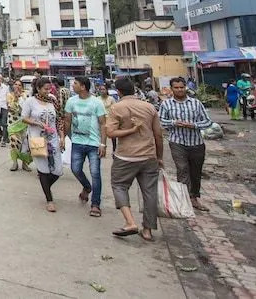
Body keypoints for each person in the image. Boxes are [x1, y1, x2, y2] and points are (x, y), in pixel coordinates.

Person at [107, 77, 164, 242]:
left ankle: (130, 222)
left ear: (118, 92)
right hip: (149, 156)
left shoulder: (117, 107)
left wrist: (131, 131)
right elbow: (158, 135)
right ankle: (147, 230)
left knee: (119, 185)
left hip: (125, 156)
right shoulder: (149, 107)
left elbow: (111, 133)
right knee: (150, 192)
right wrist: (159, 156)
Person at [158, 76, 212, 212]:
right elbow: (160, 121)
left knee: (196, 171)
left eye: (182, 87)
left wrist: (193, 125)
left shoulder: (196, 103)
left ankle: (194, 198)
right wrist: (174, 123)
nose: (179, 90)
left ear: (185, 87)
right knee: (182, 169)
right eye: (176, 88)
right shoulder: (166, 104)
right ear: (171, 89)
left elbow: (207, 122)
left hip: (196, 142)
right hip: (177, 142)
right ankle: (183, 199)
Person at [65, 76, 107, 217]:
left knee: (95, 173)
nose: (73, 86)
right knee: (75, 169)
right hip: (77, 142)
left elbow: (103, 124)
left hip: (94, 144)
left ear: (83, 86)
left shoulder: (96, 102)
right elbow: (67, 120)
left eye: (75, 83)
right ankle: (87, 187)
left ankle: (95, 204)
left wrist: (103, 143)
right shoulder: (71, 101)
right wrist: (66, 137)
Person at [21, 77, 64, 212]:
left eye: (49, 89)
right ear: (38, 89)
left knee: (58, 171)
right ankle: (49, 200)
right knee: (43, 170)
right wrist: (37, 123)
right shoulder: (30, 101)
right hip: (37, 139)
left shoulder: (53, 100)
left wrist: (62, 137)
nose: (48, 91)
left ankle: (45, 186)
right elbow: (24, 118)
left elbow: (59, 119)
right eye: (45, 89)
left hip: (53, 139)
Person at [6, 79, 32, 172]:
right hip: (12, 123)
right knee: (14, 143)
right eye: (15, 84)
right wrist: (16, 99)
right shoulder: (9, 95)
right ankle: (15, 163)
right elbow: (10, 108)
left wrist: (20, 98)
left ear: (22, 87)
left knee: (25, 145)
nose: (17, 86)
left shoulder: (26, 95)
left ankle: (25, 164)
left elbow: (27, 108)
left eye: (19, 85)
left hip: (24, 123)